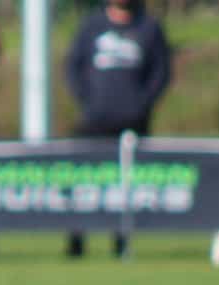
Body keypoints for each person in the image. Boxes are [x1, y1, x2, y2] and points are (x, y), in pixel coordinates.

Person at [63, 0, 169, 256]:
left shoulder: (149, 27)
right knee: (84, 178)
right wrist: (89, 100)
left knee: (126, 182)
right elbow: (72, 67)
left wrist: (140, 103)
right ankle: (77, 239)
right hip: (95, 119)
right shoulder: (91, 25)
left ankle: (121, 240)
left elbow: (161, 72)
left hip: (133, 121)